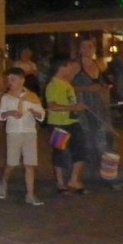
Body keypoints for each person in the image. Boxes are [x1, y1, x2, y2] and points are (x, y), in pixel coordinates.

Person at [0, 67, 46, 206]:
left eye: (13, 79)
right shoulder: (6, 97)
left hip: (29, 132)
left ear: (22, 80)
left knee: (30, 164)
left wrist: (36, 113)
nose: (9, 82)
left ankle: (30, 194)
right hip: (13, 133)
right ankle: (4, 182)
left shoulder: (32, 96)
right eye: (8, 80)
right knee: (11, 163)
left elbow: (41, 113)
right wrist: (9, 113)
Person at [73, 38, 114, 179]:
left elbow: (107, 82)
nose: (87, 49)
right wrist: (87, 88)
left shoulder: (100, 64)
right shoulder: (74, 66)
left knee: (105, 139)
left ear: (94, 48)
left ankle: (110, 175)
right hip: (83, 107)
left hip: (100, 105)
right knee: (87, 140)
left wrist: (105, 87)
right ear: (79, 49)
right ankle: (87, 174)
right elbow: (64, 87)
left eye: (90, 46)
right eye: (83, 46)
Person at [46, 58, 88, 194]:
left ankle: (73, 180)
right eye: (70, 66)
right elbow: (52, 107)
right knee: (60, 152)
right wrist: (73, 107)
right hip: (59, 123)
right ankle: (60, 182)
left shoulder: (66, 83)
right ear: (62, 67)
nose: (72, 70)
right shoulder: (53, 85)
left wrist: (75, 108)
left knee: (80, 150)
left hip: (72, 122)